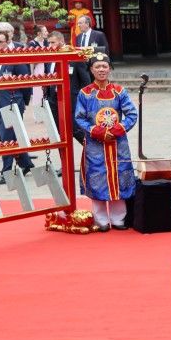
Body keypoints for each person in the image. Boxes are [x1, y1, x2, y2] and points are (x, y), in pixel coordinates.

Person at [74, 52, 137, 231]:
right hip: (95, 143)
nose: (101, 70)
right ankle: (101, 220)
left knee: (120, 175)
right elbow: (79, 117)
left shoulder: (119, 91)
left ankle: (118, 219)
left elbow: (132, 114)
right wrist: (98, 131)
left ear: (110, 68)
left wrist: (116, 130)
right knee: (98, 177)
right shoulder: (85, 93)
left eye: (104, 66)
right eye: (97, 67)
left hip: (118, 142)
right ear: (91, 70)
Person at [0, 23, 35, 183]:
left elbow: (26, 82)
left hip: (13, 102)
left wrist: (23, 102)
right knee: (3, 136)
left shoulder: (15, 57)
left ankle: (6, 172)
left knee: (6, 137)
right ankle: (26, 163)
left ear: (7, 42)